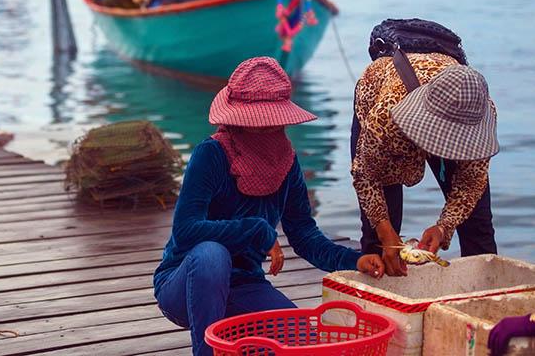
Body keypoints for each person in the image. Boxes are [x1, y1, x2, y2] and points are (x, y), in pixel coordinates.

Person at [154, 57, 384, 356]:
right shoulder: (210, 154)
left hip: (244, 285)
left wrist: (354, 260)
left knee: (305, 343)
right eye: (257, 124)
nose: (265, 130)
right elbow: (186, 231)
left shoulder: (286, 161)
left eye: (272, 123)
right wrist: (257, 230)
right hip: (186, 283)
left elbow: (304, 234)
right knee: (212, 253)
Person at [352, 47, 499, 276]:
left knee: (477, 225)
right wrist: (384, 229)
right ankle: (377, 290)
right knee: (380, 237)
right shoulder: (386, 115)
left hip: (446, 105)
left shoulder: (479, 112)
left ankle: (484, 291)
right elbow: (365, 175)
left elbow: (472, 182)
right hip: (387, 102)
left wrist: (443, 228)